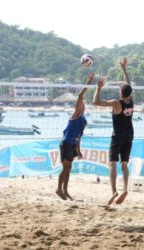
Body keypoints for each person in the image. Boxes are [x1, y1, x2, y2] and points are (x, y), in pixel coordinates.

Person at [93, 57, 133, 205]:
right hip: (129, 134)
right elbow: (128, 84)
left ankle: (114, 191)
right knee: (124, 164)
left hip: (118, 136)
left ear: (121, 93)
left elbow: (96, 102)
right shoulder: (130, 100)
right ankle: (125, 189)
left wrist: (98, 88)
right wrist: (124, 69)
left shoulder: (117, 103)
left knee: (112, 163)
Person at [56, 73, 94, 201]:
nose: (82, 104)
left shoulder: (83, 120)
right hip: (66, 142)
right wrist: (88, 82)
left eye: (83, 104)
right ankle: (58, 189)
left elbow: (79, 136)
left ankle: (65, 191)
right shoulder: (76, 114)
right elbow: (80, 96)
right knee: (65, 168)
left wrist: (78, 150)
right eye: (80, 104)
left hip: (72, 144)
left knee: (69, 169)